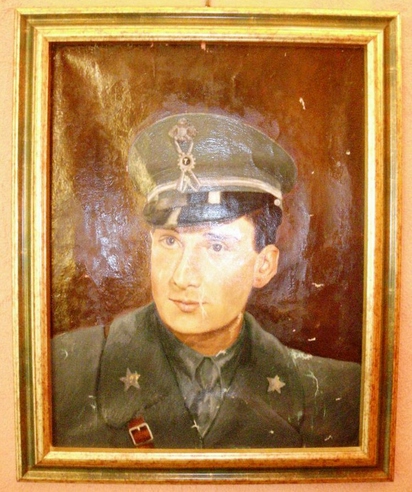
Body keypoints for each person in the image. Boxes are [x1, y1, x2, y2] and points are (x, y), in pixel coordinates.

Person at [52, 113, 360, 449]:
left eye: (216, 246)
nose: (182, 277)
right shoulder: (63, 372)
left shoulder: (337, 394)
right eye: (170, 241)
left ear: (264, 265)